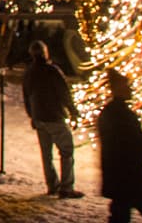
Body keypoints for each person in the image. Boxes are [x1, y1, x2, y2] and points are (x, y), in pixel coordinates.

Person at [98, 68, 142, 223]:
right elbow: (133, 144)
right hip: (131, 177)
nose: (131, 89)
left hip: (117, 176)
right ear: (119, 89)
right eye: (127, 86)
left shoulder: (110, 112)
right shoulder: (122, 115)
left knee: (120, 215)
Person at [21, 40, 82, 198]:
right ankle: (66, 187)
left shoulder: (28, 73)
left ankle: (52, 185)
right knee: (66, 150)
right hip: (54, 116)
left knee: (46, 154)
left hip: (39, 117)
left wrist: (32, 116)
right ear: (45, 53)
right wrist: (73, 111)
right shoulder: (52, 71)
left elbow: (26, 97)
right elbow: (64, 93)